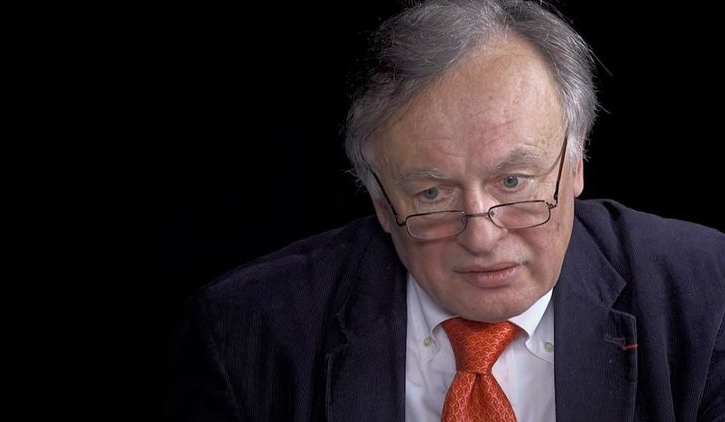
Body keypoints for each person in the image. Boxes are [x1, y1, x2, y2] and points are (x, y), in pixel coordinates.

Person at [166, 0, 724, 420]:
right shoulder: (245, 333)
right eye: (433, 194)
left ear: (575, 165)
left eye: (513, 181)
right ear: (381, 200)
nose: (481, 236)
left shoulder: (709, 294)